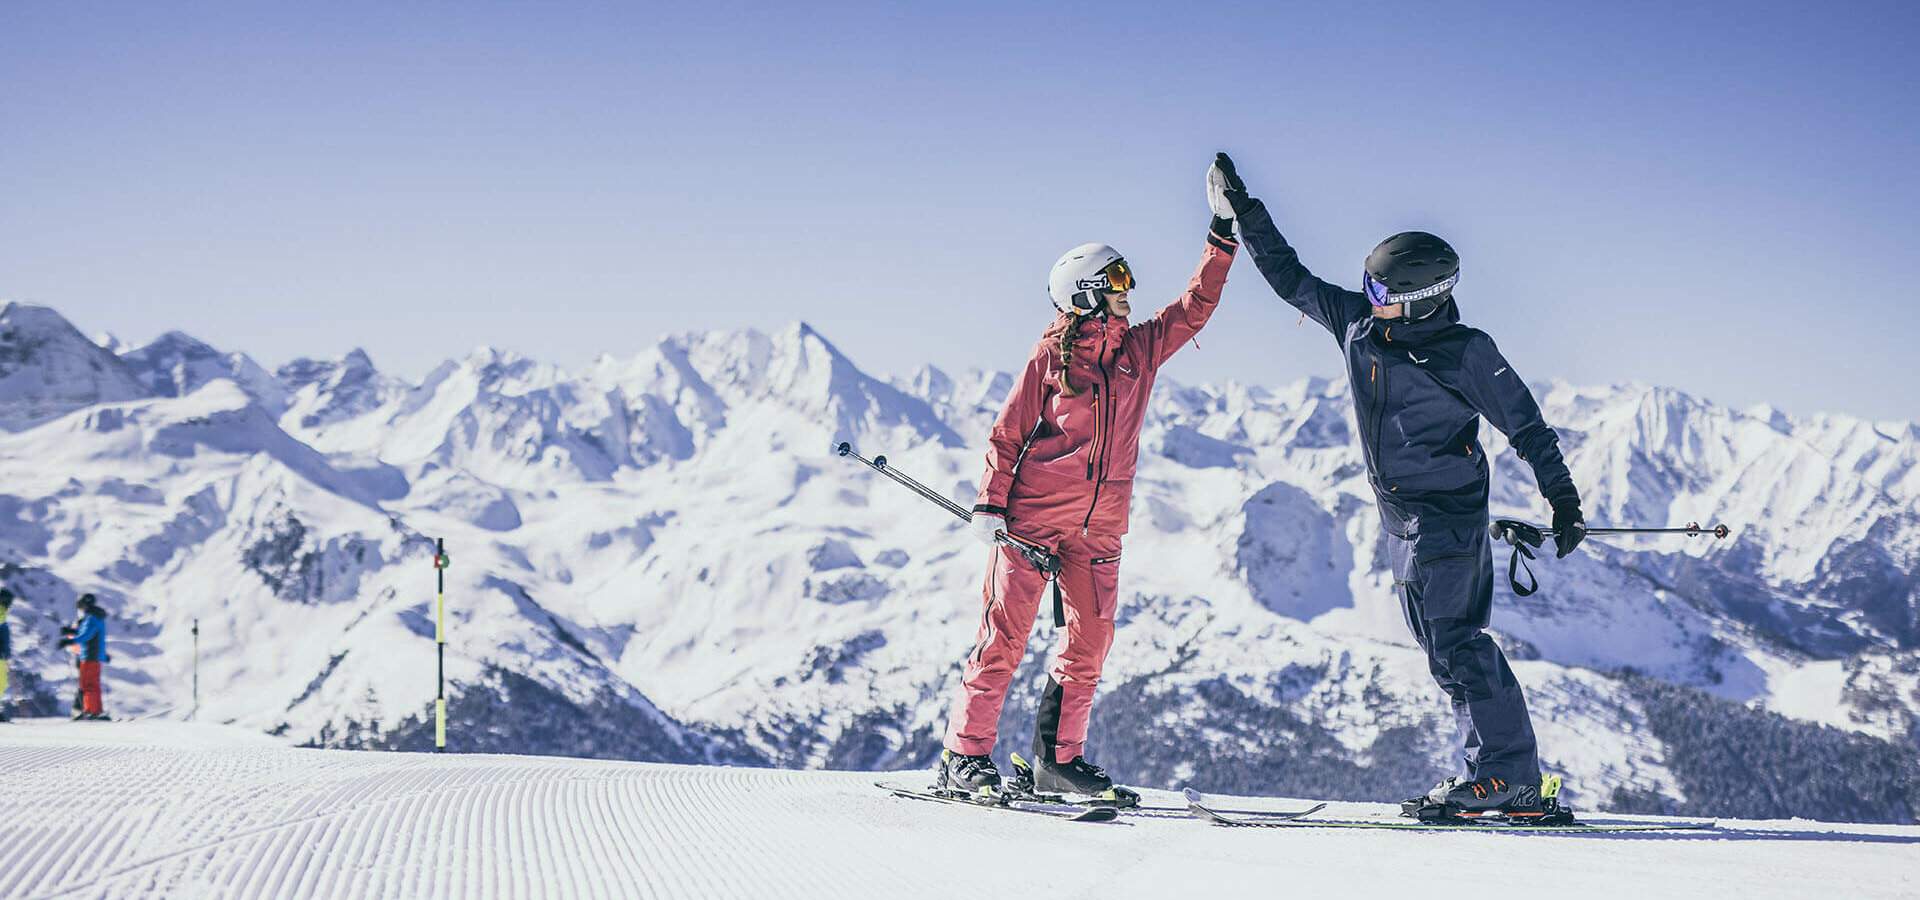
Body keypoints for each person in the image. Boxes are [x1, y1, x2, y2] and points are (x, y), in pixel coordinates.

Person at [1208, 152, 1586, 818]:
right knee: (1443, 651)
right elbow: (1291, 278)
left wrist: (1563, 499)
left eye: (1383, 293)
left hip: (1447, 518)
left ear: (1419, 301)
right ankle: (1500, 773)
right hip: (1400, 522)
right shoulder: (1359, 327)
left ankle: (1508, 775)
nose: (1369, 299)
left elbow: (1528, 427)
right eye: (1369, 287)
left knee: (1459, 641)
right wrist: (1243, 210)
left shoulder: (1466, 351)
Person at [938, 201, 1240, 798]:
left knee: (1090, 643)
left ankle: (1056, 759)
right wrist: (990, 504)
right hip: (1032, 520)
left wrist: (1221, 238)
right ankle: (963, 757)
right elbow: (1008, 432)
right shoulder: (1050, 357)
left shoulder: (1139, 352)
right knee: (1004, 636)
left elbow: (1195, 308)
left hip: (1099, 530)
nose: (1129, 291)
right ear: (1086, 294)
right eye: (1118, 282)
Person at [59, 594, 109, 721]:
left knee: (88, 684)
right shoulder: (94, 617)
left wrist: (69, 641)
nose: (80, 608)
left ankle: (92, 712)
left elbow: (86, 635)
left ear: (86, 604)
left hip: (90, 656)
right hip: (94, 656)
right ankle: (96, 711)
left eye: (80, 605)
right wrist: (71, 632)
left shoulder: (92, 618)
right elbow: (84, 632)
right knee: (93, 684)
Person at [0, 589, 12, 723]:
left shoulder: (3, 611)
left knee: (2, 683)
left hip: (2, 654)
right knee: (1, 683)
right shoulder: (1, 611)